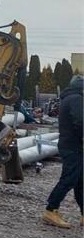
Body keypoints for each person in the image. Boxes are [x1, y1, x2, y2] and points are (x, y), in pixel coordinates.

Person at [42, 74, 83, 228]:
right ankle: (50, 209)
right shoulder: (77, 99)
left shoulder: (70, 98)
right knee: (69, 178)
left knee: (80, 181)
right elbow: (80, 121)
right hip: (74, 146)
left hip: (71, 144)